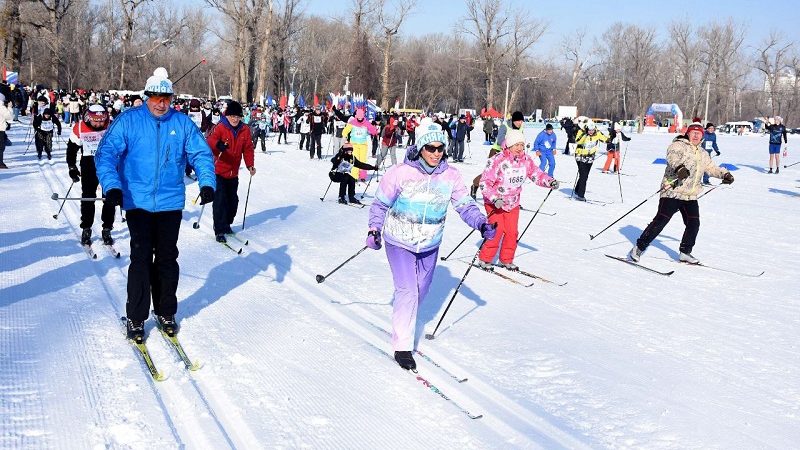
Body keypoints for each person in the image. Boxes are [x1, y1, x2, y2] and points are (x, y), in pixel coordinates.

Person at [94, 67, 216, 343]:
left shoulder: (182, 124)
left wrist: (207, 182)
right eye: (156, 98)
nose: (161, 104)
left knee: (166, 258)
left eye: (166, 98)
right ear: (147, 96)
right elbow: (106, 155)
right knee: (140, 259)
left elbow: (201, 154)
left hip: (170, 202)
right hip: (137, 201)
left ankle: (165, 311)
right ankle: (136, 317)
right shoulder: (128, 121)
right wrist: (112, 187)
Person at [366, 118, 496, 371]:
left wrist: (481, 223)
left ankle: (404, 315)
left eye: (440, 148)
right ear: (420, 147)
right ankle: (402, 346)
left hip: (430, 244)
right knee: (408, 291)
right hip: (399, 241)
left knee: (420, 292)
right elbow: (380, 204)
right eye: (431, 148)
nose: (436, 153)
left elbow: (465, 206)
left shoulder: (451, 176)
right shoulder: (400, 174)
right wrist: (374, 229)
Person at [628, 119, 734, 265]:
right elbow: (673, 157)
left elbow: (711, 168)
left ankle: (685, 252)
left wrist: (724, 174)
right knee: (661, 221)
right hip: (673, 191)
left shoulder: (703, 153)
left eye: (698, 134)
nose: (696, 136)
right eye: (693, 133)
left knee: (693, 224)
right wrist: (679, 168)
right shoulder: (678, 145)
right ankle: (638, 248)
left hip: (690, 195)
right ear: (688, 134)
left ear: (702, 136)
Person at [477, 129, 558, 270]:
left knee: (512, 232)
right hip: (495, 203)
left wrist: (549, 181)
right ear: (508, 145)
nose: (520, 148)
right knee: (496, 230)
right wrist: (495, 198)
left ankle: (506, 259)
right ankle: (485, 258)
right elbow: (484, 183)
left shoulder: (526, 160)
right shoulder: (497, 160)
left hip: (513, 203)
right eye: (516, 145)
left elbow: (536, 174)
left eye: (522, 144)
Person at [206, 100, 256, 242]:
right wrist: (218, 144)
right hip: (219, 170)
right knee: (220, 201)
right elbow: (210, 140)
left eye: (237, 116)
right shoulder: (221, 127)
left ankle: (227, 223)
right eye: (232, 116)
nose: (235, 119)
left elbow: (247, 148)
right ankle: (219, 229)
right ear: (227, 116)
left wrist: (250, 165)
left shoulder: (244, 129)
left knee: (232, 201)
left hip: (233, 172)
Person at [66, 104, 116, 245]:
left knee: (109, 197)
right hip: (89, 165)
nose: (99, 123)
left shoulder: (111, 125)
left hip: (109, 165)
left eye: (102, 120)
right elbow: (71, 149)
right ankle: (86, 227)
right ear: (89, 117)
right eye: (96, 121)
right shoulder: (80, 127)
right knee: (88, 197)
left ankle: (107, 228)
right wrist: (72, 167)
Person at [470, 111, 525, 198]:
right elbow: (500, 140)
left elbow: (520, 139)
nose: (520, 123)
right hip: (497, 152)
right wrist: (509, 147)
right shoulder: (505, 126)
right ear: (513, 120)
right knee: (490, 175)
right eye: (518, 121)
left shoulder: (521, 127)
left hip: (510, 155)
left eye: (521, 121)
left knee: (510, 176)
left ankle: (511, 197)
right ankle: (475, 185)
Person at [573, 121, 608, 201]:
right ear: (586, 129)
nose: (591, 132)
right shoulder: (581, 132)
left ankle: (577, 190)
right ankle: (581, 195)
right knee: (583, 175)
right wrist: (585, 135)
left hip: (590, 157)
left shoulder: (597, 133)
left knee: (584, 175)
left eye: (592, 130)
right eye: (589, 130)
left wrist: (612, 136)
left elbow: (605, 139)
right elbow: (577, 141)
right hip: (580, 156)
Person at [342, 106, 378, 181]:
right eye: (359, 117)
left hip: (363, 145)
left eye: (361, 117)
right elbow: (345, 130)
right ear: (356, 116)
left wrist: (375, 132)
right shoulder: (352, 123)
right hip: (354, 144)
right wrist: (345, 135)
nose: (360, 118)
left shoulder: (366, 123)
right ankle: (354, 176)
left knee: (362, 160)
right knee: (355, 160)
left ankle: (362, 176)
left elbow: (372, 129)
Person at [0, 94, 12, 169]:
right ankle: (0, 163)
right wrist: (10, 107)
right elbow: (9, 116)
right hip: (0, 129)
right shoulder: (1, 107)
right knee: (1, 147)